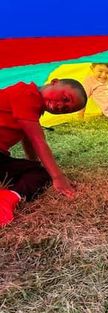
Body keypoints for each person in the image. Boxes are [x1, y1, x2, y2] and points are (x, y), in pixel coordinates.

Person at [0, 79, 87, 227]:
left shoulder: (32, 107)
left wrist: (32, 164)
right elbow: (37, 140)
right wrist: (58, 177)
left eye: (66, 109)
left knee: (39, 171)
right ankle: (8, 198)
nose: (61, 106)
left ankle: (8, 197)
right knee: (44, 174)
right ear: (54, 82)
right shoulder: (26, 94)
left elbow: (27, 137)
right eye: (65, 98)